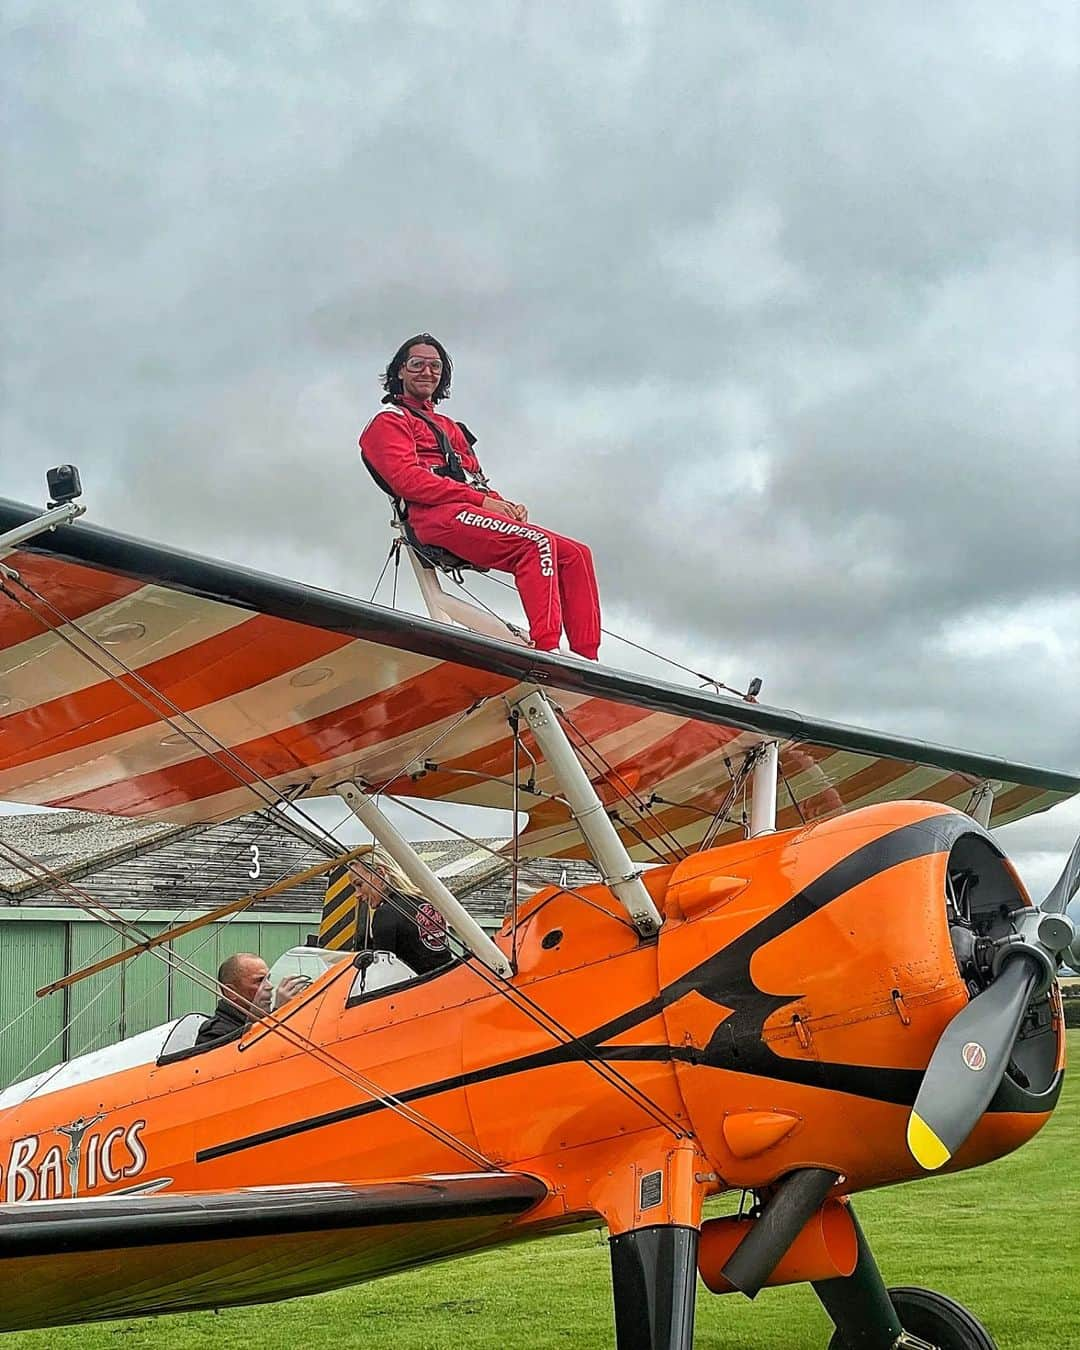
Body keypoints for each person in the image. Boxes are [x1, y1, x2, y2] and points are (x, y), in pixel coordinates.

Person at [359, 334, 602, 660]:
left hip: (470, 511)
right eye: (417, 364)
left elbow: (476, 480)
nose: (426, 372)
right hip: (435, 518)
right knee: (536, 544)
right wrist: (480, 502)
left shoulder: (451, 428)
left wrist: (504, 504)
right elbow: (407, 481)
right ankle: (547, 654)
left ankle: (588, 661)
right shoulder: (390, 421)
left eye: (435, 366)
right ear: (400, 371)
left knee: (575, 554)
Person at [351, 845, 454, 977]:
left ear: (380, 873)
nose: (357, 894)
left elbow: (383, 975)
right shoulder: (427, 901)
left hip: (418, 991)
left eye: (359, 884)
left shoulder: (385, 914)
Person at [193, 953, 308, 1050]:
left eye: (268, 979)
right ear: (231, 992)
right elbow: (255, 1061)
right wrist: (279, 1014)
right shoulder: (214, 1034)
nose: (269, 986)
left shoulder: (262, 1020)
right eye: (259, 981)